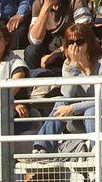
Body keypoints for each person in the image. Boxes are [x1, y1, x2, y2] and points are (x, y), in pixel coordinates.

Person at [33, 24, 102, 154]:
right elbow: (67, 94)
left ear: (89, 42)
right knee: (61, 101)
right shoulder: (68, 65)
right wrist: (74, 67)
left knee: (91, 111)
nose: (75, 46)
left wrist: (72, 108)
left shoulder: (100, 64)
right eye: (71, 42)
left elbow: (101, 99)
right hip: (79, 117)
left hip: (96, 114)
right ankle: (42, 147)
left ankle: (97, 151)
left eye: (80, 41)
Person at [26, 0, 88, 72]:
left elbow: (85, 31)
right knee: (31, 51)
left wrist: (57, 53)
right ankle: (38, 79)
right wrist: (46, 7)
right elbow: (35, 40)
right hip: (49, 45)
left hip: (70, 44)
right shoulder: (38, 4)